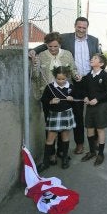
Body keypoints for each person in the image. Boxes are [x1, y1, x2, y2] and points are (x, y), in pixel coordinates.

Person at [30, 17, 100, 155]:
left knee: (94, 111)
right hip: (74, 82)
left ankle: (95, 142)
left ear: (87, 28)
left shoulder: (93, 40)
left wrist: (99, 73)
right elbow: (48, 44)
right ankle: (79, 144)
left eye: (84, 28)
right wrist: (33, 50)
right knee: (77, 113)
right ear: (75, 26)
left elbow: (99, 57)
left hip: (89, 78)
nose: (81, 30)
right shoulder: (65, 38)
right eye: (78, 27)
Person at [32, 32, 78, 163]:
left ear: (60, 44)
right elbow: (35, 77)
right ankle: (51, 155)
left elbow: (73, 69)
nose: (52, 49)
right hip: (49, 95)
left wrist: (76, 76)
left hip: (63, 95)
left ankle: (62, 153)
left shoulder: (67, 54)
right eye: (50, 46)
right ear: (46, 45)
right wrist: (35, 66)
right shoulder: (41, 55)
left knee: (64, 128)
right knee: (50, 126)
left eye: (55, 46)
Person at [37, 66, 78, 172]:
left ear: (67, 77)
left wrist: (72, 99)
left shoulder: (71, 87)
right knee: (50, 138)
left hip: (66, 113)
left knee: (65, 137)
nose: (60, 81)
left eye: (63, 79)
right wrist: (51, 101)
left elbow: (76, 98)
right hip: (54, 115)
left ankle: (65, 159)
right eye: (58, 79)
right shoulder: (50, 87)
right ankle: (45, 162)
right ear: (55, 77)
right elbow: (43, 100)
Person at [78, 54, 107, 166]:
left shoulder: (104, 75)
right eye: (92, 58)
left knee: (100, 129)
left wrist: (97, 99)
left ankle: (101, 154)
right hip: (89, 107)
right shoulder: (89, 75)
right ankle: (92, 152)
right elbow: (83, 89)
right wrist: (85, 97)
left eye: (95, 58)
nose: (92, 59)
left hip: (101, 106)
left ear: (101, 64)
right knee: (89, 128)